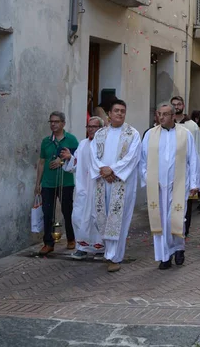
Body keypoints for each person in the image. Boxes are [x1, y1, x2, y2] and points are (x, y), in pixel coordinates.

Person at [141, 102, 200, 270]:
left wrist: (194, 183)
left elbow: (193, 159)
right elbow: (142, 160)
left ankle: (178, 248)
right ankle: (164, 256)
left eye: (165, 114)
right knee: (160, 221)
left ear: (172, 115)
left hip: (178, 184)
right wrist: (148, 177)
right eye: (159, 114)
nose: (161, 117)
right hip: (158, 186)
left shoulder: (185, 134)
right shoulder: (149, 135)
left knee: (175, 219)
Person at [80, 99, 141, 272]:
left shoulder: (132, 134)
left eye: (123, 110)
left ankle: (115, 256)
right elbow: (93, 156)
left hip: (121, 182)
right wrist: (103, 171)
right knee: (102, 217)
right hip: (102, 181)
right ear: (109, 114)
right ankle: (108, 251)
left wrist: (112, 171)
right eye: (116, 110)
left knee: (119, 218)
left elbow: (132, 157)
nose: (120, 113)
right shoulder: (100, 134)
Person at [35, 111, 79, 256]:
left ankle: (71, 238)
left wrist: (61, 161)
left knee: (68, 211)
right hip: (48, 183)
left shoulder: (71, 140)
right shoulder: (46, 141)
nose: (53, 124)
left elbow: (76, 159)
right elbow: (41, 162)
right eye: (51, 122)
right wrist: (37, 184)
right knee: (47, 213)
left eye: (56, 121)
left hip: (65, 182)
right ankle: (48, 243)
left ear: (63, 123)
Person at [61, 116, 105, 260]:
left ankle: (100, 248)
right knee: (78, 217)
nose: (91, 129)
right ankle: (82, 248)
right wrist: (70, 158)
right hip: (83, 188)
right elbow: (76, 164)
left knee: (96, 218)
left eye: (94, 127)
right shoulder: (83, 144)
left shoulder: (104, 145)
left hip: (98, 188)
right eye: (89, 126)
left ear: (101, 129)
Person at [171, 96, 200, 226]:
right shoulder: (167, 124)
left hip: (186, 169)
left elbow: (198, 148)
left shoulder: (192, 126)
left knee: (186, 202)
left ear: (183, 106)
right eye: (174, 104)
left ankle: (185, 229)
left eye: (179, 104)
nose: (176, 107)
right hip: (170, 169)